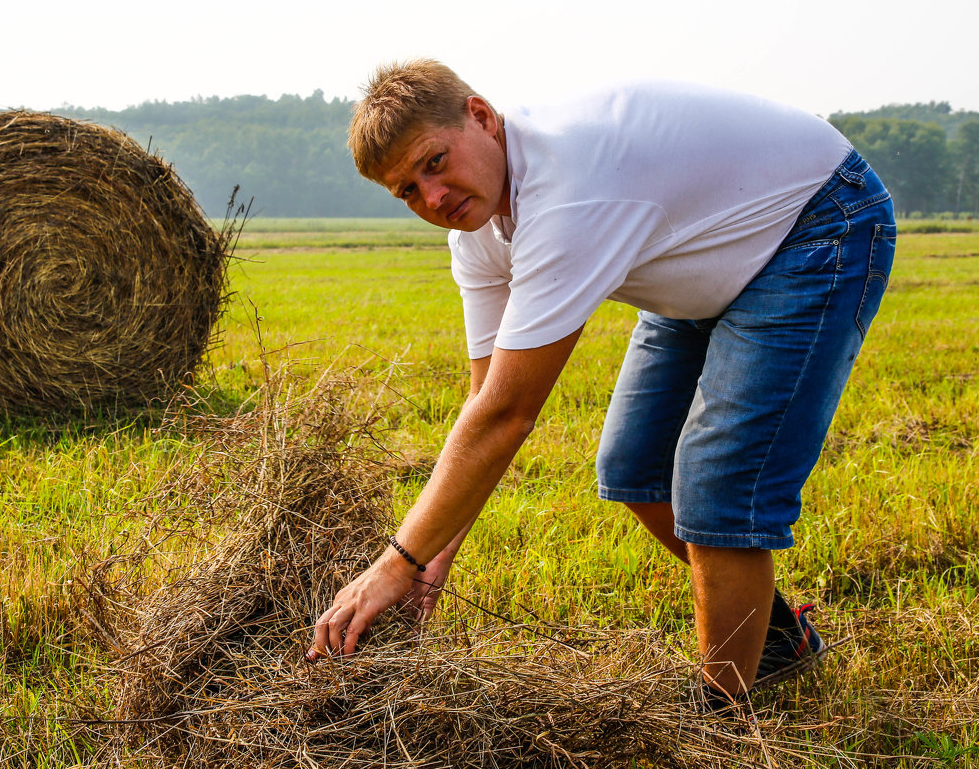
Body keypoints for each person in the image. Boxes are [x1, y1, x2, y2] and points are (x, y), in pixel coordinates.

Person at [306, 59, 896, 710]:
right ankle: (781, 634)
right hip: (708, 258)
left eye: (435, 162)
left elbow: (509, 413)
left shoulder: (567, 192)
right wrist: (433, 557)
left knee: (717, 489)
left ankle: (721, 721)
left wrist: (395, 563)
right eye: (408, 191)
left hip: (813, 219)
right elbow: (483, 405)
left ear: (481, 116)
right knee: (634, 463)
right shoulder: (477, 233)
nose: (433, 197)